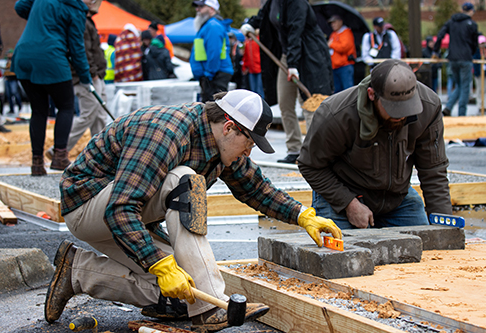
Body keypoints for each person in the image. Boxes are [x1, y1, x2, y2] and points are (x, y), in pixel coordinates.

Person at [44, 89, 342, 332]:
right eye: (249, 142)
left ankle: (77, 271)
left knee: (180, 295)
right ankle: (212, 306)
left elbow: (255, 188)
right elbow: (121, 208)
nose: (249, 151)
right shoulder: (166, 132)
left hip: (125, 215)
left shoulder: (220, 142)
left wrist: (303, 215)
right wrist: (157, 263)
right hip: (89, 207)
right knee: (184, 179)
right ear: (229, 127)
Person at [298, 59, 452, 230]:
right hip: (344, 192)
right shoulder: (336, 114)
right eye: (394, 108)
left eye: (406, 108)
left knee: (427, 249)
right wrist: (349, 203)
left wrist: (443, 225)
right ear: (372, 94)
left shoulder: (428, 107)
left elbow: (433, 170)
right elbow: (309, 166)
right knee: (342, 254)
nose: (401, 115)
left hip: (396, 198)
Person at [240, 0, 333, 165]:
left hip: (309, 55)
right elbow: (263, 16)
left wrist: (293, 65)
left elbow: (295, 33)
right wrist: (250, 24)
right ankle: (294, 149)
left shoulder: (298, 3)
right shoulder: (273, 2)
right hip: (288, 54)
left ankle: (314, 152)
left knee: (310, 104)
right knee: (285, 103)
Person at [12, 0, 91, 176]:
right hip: (51, 57)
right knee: (66, 105)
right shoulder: (76, 9)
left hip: (24, 55)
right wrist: (86, 78)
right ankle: (60, 156)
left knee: (38, 110)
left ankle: (37, 162)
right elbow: (77, 48)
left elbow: (20, 6)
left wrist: (40, 20)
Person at [45, 0, 107, 162]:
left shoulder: (87, 22)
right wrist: (92, 73)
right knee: (88, 115)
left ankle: (102, 154)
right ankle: (59, 149)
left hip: (93, 75)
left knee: (99, 116)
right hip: (86, 78)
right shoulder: (83, 22)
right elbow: (84, 51)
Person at [434, 2, 478, 117]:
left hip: (453, 58)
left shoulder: (451, 22)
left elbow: (440, 35)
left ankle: (448, 107)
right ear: (471, 11)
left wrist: (436, 50)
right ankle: (461, 113)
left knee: (459, 85)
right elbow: (475, 43)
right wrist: (471, 53)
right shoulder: (472, 24)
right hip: (465, 58)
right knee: (465, 87)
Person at [190, 0, 234, 102]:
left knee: (214, 110)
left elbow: (214, 52)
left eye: (201, 7)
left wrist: (209, 74)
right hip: (213, 74)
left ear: (211, 9)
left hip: (215, 75)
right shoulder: (209, 25)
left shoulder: (212, 26)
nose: (197, 10)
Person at [327, 15, 356, 93]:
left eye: (334, 22)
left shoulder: (346, 32)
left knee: (347, 91)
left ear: (340, 22)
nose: (333, 25)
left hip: (345, 66)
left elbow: (344, 47)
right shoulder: (333, 34)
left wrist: (331, 45)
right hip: (335, 67)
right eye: (331, 23)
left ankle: (350, 105)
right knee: (337, 91)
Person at [242, 31, 264, 98]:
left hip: (259, 68)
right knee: (253, 91)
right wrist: (244, 67)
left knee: (259, 90)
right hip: (251, 69)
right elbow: (246, 56)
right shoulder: (248, 43)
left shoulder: (258, 41)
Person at [3, 49, 23, 114]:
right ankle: (11, 109)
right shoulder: (6, 61)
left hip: (13, 79)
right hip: (7, 79)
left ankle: (20, 106)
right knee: (9, 95)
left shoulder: (14, 61)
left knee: (15, 93)